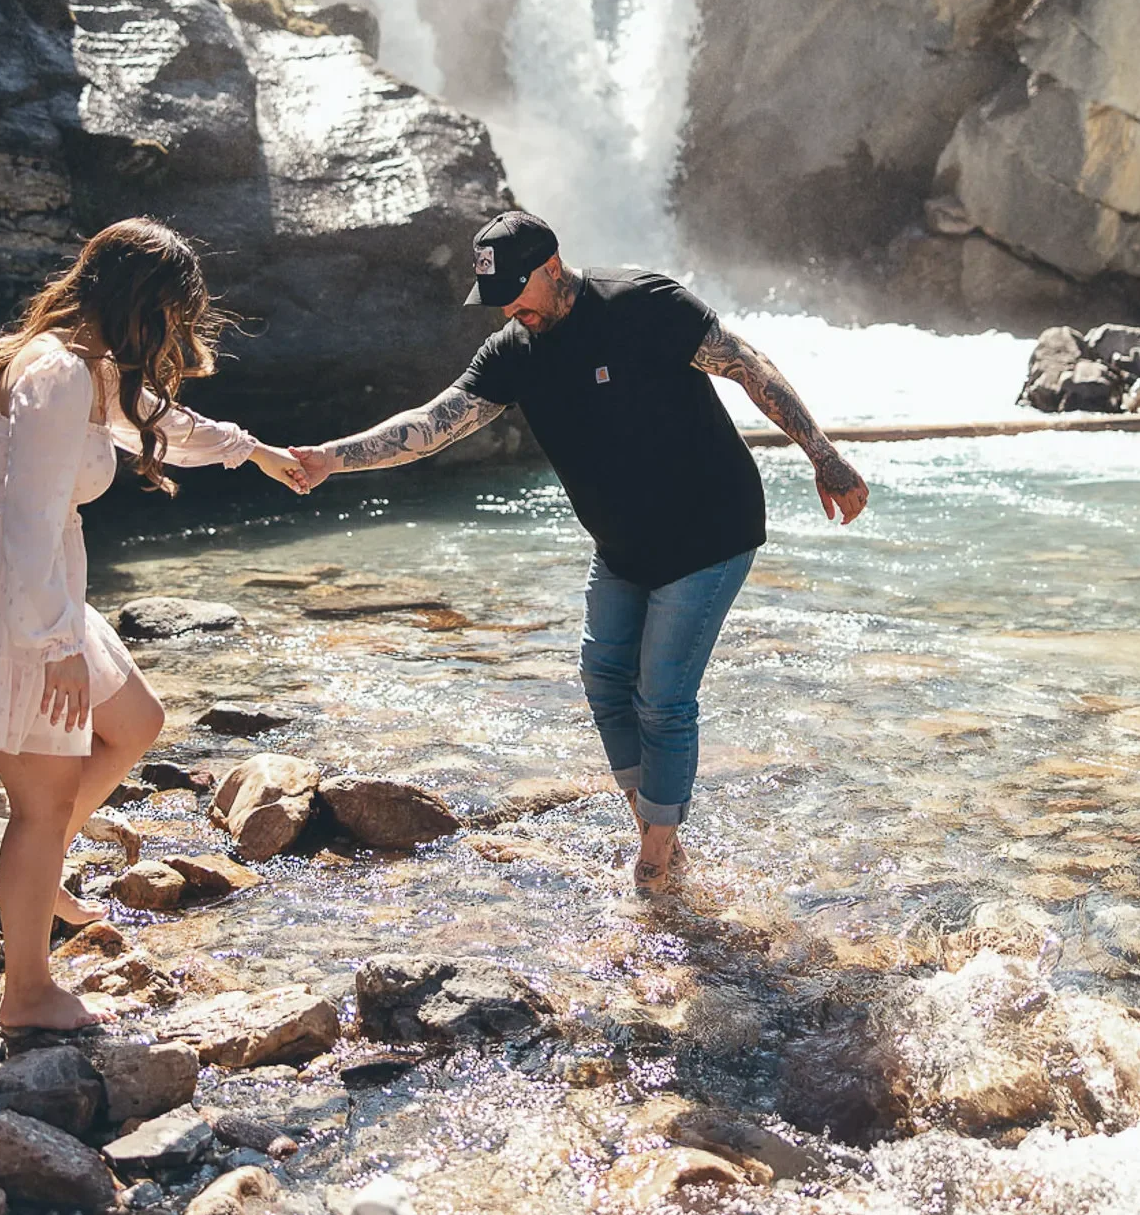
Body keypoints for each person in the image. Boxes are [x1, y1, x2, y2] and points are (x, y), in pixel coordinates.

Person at [292, 210, 868, 896]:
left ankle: (652, 866)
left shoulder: (641, 303)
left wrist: (822, 453)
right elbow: (431, 426)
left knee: (661, 700)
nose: (510, 307)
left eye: (517, 289)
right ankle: (661, 836)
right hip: (622, 547)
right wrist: (330, 459)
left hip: (709, 532)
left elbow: (745, 365)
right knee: (603, 682)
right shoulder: (514, 351)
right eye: (496, 296)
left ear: (551, 265)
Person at [0, 217, 309, 1032]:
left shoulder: (86, 366)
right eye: (170, 315)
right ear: (140, 304)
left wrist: (254, 450)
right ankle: (26, 992)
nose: (171, 334)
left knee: (134, 724)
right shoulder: (54, 374)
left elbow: (158, 421)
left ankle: (36, 875)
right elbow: (25, 521)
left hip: (37, 585)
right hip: (14, 601)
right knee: (42, 804)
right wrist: (53, 647)